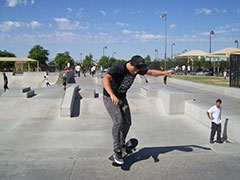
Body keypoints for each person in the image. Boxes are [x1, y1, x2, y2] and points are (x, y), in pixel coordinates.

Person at [102, 55, 173, 164]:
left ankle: (122, 145)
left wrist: (164, 73)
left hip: (122, 98)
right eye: (135, 69)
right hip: (110, 98)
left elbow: (150, 72)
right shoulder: (119, 68)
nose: (136, 72)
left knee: (127, 122)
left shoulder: (137, 69)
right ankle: (117, 150)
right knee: (118, 121)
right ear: (130, 63)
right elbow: (105, 78)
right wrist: (112, 95)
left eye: (138, 70)